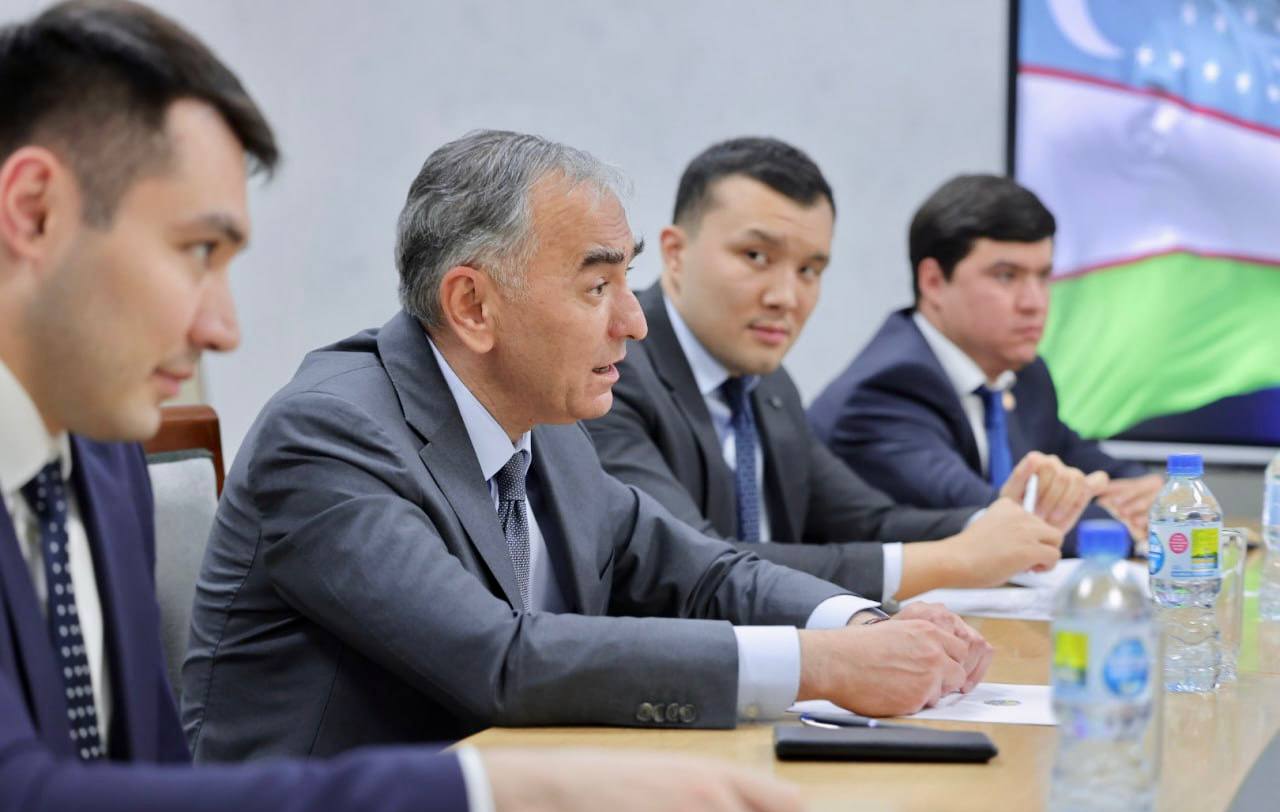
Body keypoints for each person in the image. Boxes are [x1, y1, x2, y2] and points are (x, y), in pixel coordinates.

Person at [0, 3, 809, 812]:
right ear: (34, 210)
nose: (223, 328)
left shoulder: (97, 461)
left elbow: (148, 785)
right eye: (197, 251)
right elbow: (23, 811)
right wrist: (508, 804)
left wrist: (843, 635)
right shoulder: (327, 427)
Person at [183, 129, 993, 764]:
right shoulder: (330, 435)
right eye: (597, 286)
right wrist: (818, 665)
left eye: (625, 282)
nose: (634, 321)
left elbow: (701, 570)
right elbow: (497, 658)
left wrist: (857, 622)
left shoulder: (549, 429)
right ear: (473, 306)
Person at [586, 137, 1073, 603]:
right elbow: (698, 564)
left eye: (809, 271)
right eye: (756, 257)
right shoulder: (612, 371)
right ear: (675, 253)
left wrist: (994, 525)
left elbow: (868, 522)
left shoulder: (767, 385)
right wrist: (952, 560)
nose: (786, 297)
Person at [808, 174, 1161, 550]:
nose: (1034, 302)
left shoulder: (1024, 375)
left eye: (1043, 277)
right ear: (933, 282)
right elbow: (994, 519)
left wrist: (1154, 495)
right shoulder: (885, 391)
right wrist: (1125, 524)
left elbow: (1088, 463)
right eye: (1007, 277)